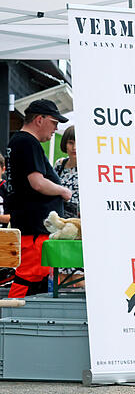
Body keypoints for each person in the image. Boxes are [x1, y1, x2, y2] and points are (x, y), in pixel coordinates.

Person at [6, 99, 71, 298]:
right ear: (39, 120)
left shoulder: (18, 141)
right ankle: (11, 313)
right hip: (34, 226)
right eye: (54, 122)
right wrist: (62, 191)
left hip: (31, 224)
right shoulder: (28, 142)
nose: (56, 128)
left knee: (36, 277)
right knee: (30, 275)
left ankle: (18, 312)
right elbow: (37, 182)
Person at [53, 126, 83, 286]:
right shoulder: (60, 164)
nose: (74, 147)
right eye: (71, 142)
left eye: (78, 142)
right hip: (62, 220)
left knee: (79, 276)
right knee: (62, 273)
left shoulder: (90, 165)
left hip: (80, 223)